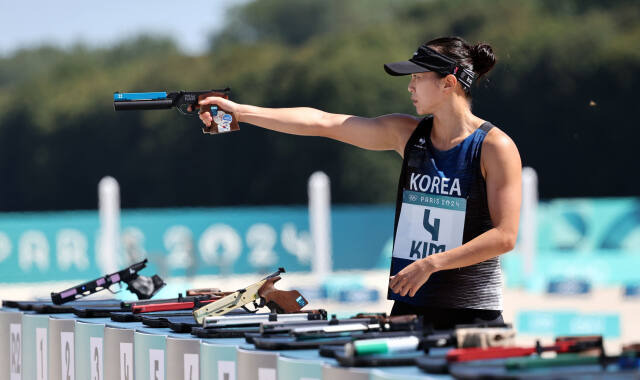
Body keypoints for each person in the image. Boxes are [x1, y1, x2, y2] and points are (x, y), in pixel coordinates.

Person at [194, 36, 521, 329]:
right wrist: (239, 112)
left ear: (448, 83)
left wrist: (432, 264)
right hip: (409, 309)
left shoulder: (495, 147)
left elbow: (504, 237)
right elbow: (322, 122)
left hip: (473, 315)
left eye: (418, 78)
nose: (410, 86)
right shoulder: (407, 134)